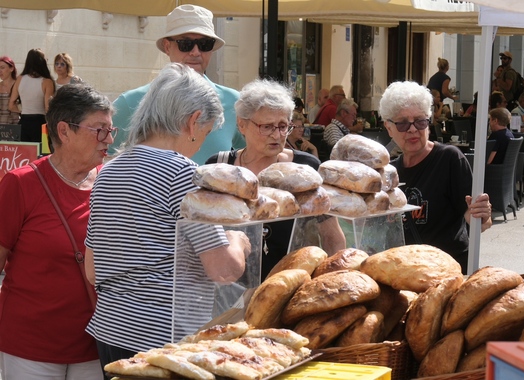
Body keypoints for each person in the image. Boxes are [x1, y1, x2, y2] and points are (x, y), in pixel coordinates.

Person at [84, 63, 251, 371]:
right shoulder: (183, 173)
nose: (202, 142)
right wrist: (237, 240)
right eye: (207, 131)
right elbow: (223, 270)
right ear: (194, 121)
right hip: (165, 340)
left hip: (111, 330)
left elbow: (93, 270)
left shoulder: (108, 172)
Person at [0, 84, 115, 380]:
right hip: (30, 348)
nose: (109, 139)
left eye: (111, 129)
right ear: (64, 131)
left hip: (94, 345)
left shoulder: (111, 184)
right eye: (99, 130)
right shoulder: (20, 184)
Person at [206, 78, 346, 280]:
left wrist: (336, 281)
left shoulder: (305, 169)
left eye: (283, 126)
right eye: (267, 127)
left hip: (291, 284)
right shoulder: (219, 169)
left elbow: (331, 235)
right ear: (242, 125)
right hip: (228, 289)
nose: (277, 135)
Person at [378, 81, 492, 273]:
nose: (413, 129)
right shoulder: (389, 173)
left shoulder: (449, 159)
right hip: (405, 274)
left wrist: (481, 214)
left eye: (420, 121)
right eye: (403, 123)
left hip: (449, 272)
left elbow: (478, 223)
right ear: (389, 128)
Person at [109, 4, 245, 163]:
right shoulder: (130, 103)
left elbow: (252, 155)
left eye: (204, 44)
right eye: (185, 44)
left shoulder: (234, 102)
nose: (195, 52)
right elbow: (104, 159)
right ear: (167, 47)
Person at [9, 48, 55, 145]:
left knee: (24, 155)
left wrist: (24, 110)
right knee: (40, 153)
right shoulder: (47, 81)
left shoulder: (20, 79)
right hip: (39, 123)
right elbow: (48, 107)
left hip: (24, 122)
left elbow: (11, 105)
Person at [0, 56, 19, 124]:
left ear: (11, 68)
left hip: (16, 125)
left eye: (2, 67)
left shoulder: (18, 85)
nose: (0, 71)